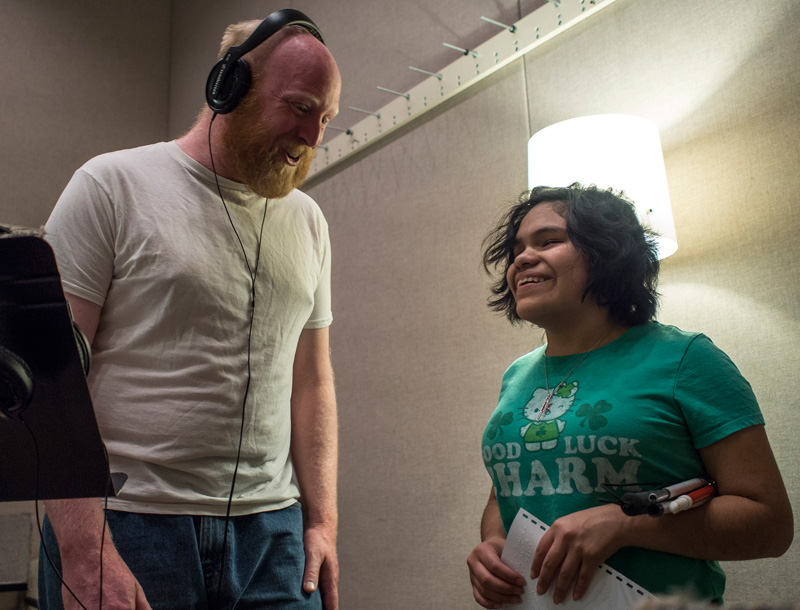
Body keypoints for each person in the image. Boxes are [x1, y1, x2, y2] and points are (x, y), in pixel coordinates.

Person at [40, 12, 341, 610]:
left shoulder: (308, 220)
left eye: (326, 118)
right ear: (231, 87)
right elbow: (51, 379)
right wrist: (83, 546)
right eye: (300, 107)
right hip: (128, 523)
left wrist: (322, 522)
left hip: (274, 535)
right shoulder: (110, 185)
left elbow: (312, 380)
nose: (312, 137)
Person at [467, 184, 793, 607]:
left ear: (607, 254)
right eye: (517, 250)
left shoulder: (686, 358)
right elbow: (507, 491)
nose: (522, 259)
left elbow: (770, 525)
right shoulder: (517, 375)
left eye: (548, 241)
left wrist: (625, 525)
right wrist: (493, 543)